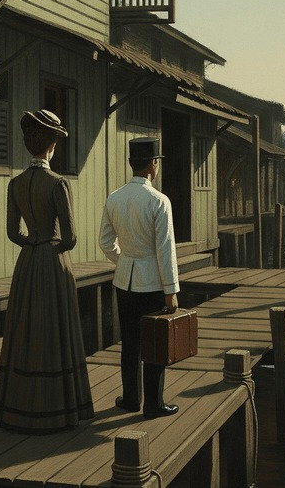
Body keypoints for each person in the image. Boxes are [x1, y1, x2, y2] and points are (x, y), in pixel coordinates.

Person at [0, 109, 94, 432]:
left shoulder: (15, 184)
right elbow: (72, 237)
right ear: (52, 146)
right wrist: (52, 247)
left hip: (28, 261)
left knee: (26, 331)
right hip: (52, 260)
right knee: (55, 331)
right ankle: (58, 407)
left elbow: (11, 232)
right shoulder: (58, 184)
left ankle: (19, 406)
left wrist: (31, 243)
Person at [99, 136, 180, 419]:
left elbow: (106, 242)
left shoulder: (115, 197)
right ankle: (154, 404)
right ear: (152, 165)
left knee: (130, 342)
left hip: (124, 281)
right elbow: (165, 249)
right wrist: (171, 289)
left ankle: (132, 399)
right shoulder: (159, 201)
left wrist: (124, 262)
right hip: (152, 283)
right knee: (155, 343)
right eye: (157, 162)